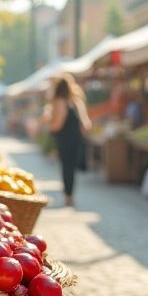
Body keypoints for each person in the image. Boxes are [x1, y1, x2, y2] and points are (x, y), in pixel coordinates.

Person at [48, 74, 91, 207]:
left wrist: (49, 127)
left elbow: (58, 123)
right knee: (71, 168)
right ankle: (70, 195)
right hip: (76, 138)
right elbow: (86, 125)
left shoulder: (59, 101)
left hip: (64, 138)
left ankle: (68, 196)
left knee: (66, 167)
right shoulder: (77, 102)